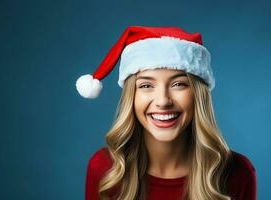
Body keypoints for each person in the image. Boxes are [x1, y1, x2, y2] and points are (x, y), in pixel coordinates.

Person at [76, 26, 257, 200]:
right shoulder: (105, 169)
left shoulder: (238, 173)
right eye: (146, 85)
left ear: (197, 95)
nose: (163, 101)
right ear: (131, 96)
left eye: (178, 84)